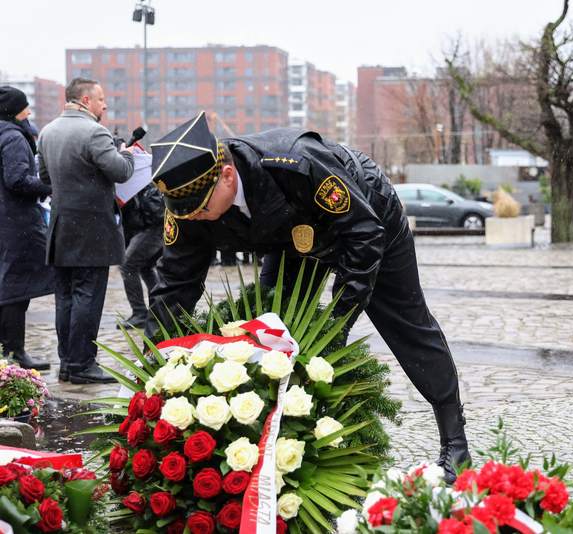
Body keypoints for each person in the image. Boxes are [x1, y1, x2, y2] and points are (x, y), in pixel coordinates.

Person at [145, 113, 470, 482]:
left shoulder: (296, 163)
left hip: (367, 219)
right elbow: (174, 283)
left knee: (407, 325)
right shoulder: (190, 206)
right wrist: (154, 360)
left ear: (228, 175)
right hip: (291, 242)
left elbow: (363, 235)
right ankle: (284, 447)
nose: (197, 219)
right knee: (271, 335)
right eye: (188, 213)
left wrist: (339, 319)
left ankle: (455, 443)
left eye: (203, 208)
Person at [37, 78, 135, 384]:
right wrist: (127, 153)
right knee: (87, 297)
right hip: (92, 229)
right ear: (84, 101)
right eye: (101, 99)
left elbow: (43, 176)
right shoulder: (95, 132)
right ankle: (82, 365)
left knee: (65, 297)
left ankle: (67, 362)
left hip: (61, 225)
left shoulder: (48, 131)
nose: (105, 105)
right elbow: (121, 171)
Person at [0, 87, 55, 370]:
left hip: (5, 221)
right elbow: (18, 180)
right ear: (13, 111)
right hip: (16, 223)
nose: (29, 112)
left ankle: (5, 353)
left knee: (7, 285)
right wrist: (50, 186)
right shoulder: (12, 137)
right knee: (16, 289)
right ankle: (14, 353)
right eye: (25, 107)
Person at [117, 182, 164, 329]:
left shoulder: (141, 176)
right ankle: (160, 308)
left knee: (127, 265)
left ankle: (140, 313)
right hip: (150, 226)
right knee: (144, 266)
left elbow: (153, 209)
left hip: (152, 226)